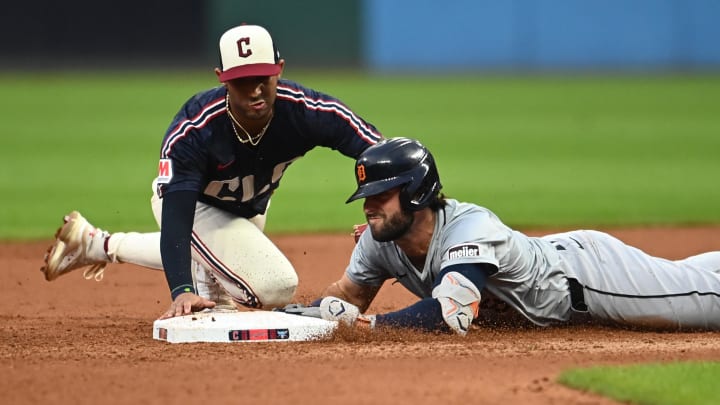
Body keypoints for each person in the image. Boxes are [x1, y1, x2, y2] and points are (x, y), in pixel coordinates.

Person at [41, 24, 382, 319]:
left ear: (279, 68)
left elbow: (379, 151)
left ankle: (95, 244)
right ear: (222, 79)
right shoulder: (195, 128)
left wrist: (388, 202)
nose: (254, 89)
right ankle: (119, 251)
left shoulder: (305, 110)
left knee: (217, 258)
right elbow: (178, 216)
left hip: (248, 210)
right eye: (242, 80)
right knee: (275, 287)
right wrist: (181, 290)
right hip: (192, 205)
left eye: (262, 77)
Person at [284, 137, 720, 334]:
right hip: (559, 270)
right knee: (685, 274)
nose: (369, 206)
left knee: (703, 302)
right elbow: (343, 299)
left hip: (590, 279)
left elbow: (450, 315)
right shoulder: (380, 241)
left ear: (417, 192)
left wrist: (367, 325)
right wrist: (292, 316)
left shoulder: (469, 228)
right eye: (366, 195)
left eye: (381, 194)